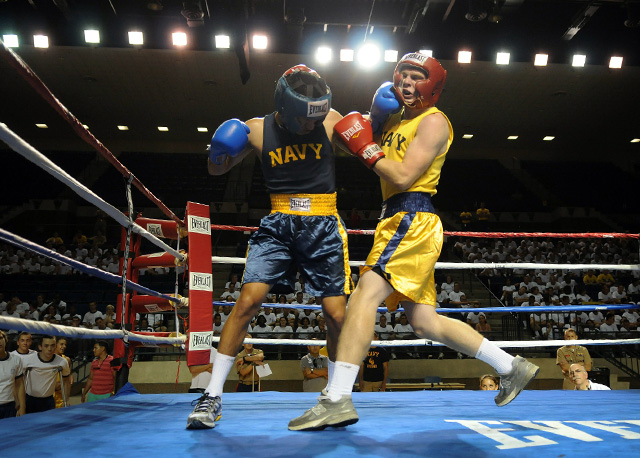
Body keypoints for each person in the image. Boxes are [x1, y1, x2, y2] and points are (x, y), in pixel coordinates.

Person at [288, 52, 539, 431]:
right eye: (402, 74)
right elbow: (353, 140)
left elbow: (403, 176)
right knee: (424, 322)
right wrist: (362, 126)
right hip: (396, 219)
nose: (406, 81)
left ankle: (337, 397)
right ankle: (510, 366)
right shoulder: (392, 121)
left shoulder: (435, 122)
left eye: (416, 76)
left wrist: (365, 148)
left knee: (362, 300)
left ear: (432, 84)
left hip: (412, 216)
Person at [187, 64, 352, 429]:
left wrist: (372, 128)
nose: (312, 126)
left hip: (324, 222)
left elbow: (365, 152)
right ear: (285, 108)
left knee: (337, 314)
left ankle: (337, 395)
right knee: (246, 302)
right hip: (278, 223)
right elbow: (218, 170)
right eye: (306, 120)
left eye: (317, 119)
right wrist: (217, 150)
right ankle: (212, 395)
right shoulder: (258, 130)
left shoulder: (329, 121)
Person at [22, 335, 71, 413]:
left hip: (48, 400)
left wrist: (67, 399)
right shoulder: (28, 360)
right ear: (40, 347)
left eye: (52, 345)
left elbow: (65, 380)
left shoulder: (62, 362)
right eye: (46, 346)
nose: (50, 349)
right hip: (30, 400)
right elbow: (19, 381)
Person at [0, 330, 25, 418]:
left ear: (5, 340)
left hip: (10, 406)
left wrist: (22, 409)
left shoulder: (16, 359)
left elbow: (20, 385)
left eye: (0, 338)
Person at [53, 337, 72, 408]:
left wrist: (67, 399)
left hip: (61, 396)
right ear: (55, 345)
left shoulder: (66, 360)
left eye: (65, 345)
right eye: (61, 344)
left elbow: (68, 381)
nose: (64, 346)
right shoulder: (48, 358)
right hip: (50, 395)